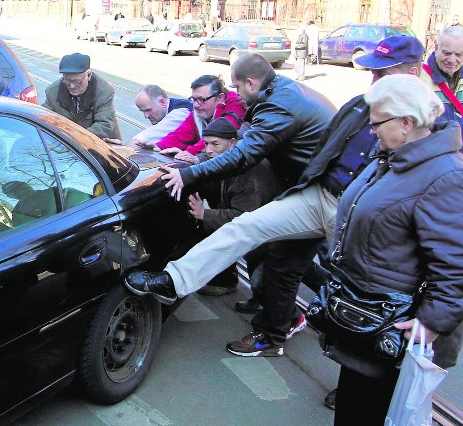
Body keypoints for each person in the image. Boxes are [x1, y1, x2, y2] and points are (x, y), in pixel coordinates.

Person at [324, 73, 463, 425]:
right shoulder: (392, 157)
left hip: (396, 329)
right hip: (368, 316)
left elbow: (455, 268)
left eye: (377, 122)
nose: (371, 130)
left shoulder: (446, 176)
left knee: (368, 412)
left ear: (406, 123)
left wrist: (430, 324)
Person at [123, 52, 335, 304]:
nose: (236, 92)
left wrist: (190, 173)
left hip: (321, 190)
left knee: (273, 254)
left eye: (236, 86)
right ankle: (287, 318)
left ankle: (296, 318)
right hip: (313, 186)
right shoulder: (280, 94)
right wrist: (189, 157)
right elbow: (242, 136)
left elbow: (242, 154)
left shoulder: (278, 105)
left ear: (251, 83)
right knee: (283, 255)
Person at [188, 118, 282, 296]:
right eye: (206, 144)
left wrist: (204, 214)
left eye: (215, 144)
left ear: (233, 143)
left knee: (267, 283)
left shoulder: (251, 172)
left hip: (274, 237)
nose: (208, 150)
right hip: (262, 233)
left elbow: (242, 217)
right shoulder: (229, 159)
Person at [136, 75, 247, 165]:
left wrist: (189, 154)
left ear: (220, 98)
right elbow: (181, 134)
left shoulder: (234, 109)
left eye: (201, 100)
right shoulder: (199, 112)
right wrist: (160, 146)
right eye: (193, 99)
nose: (196, 105)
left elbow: (216, 138)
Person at [419, 24, 463, 161]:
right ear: (436, 48)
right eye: (447, 53)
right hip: (427, 160)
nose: (452, 60)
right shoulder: (419, 77)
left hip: (459, 160)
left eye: (459, 54)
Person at [42, 52, 120, 139]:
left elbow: (104, 124)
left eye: (77, 81)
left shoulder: (104, 91)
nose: (71, 86)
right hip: (66, 143)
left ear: (89, 75)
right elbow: (45, 118)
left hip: (101, 143)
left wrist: (77, 138)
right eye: (67, 81)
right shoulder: (52, 92)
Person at [106, 84, 192, 146]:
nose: (146, 116)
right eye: (143, 111)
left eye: (148, 110)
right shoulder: (171, 107)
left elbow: (149, 136)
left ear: (162, 102)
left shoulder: (181, 112)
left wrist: (126, 149)